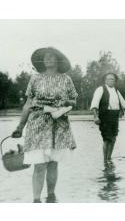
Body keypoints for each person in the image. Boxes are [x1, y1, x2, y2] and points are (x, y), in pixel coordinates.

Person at [12, 47, 78, 203]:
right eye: (45, 57)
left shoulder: (66, 79)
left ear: (57, 60)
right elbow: (28, 103)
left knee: (53, 163)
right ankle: (36, 200)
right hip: (38, 125)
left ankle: (51, 197)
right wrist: (20, 126)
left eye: (51, 56)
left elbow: (74, 100)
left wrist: (66, 102)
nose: (47, 59)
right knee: (39, 164)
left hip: (59, 124)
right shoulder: (35, 78)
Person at [90, 73, 125, 163]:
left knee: (113, 138)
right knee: (107, 139)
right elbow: (94, 104)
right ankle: (105, 160)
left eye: (113, 79)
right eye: (109, 79)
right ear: (105, 80)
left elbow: (123, 104)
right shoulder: (100, 89)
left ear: (115, 81)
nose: (111, 81)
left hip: (114, 117)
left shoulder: (116, 90)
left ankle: (109, 159)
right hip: (105, 116)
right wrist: (95, 116)